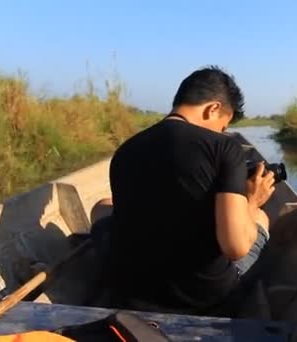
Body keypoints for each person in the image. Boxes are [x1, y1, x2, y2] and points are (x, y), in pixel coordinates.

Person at [92, 66, 276, 316]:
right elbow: (235, 248)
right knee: (259, 219)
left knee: (104, 207)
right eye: (223, 125)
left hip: (131, 293)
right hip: (203, 298)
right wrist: (252, 202)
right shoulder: (223, 148)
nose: (222, 133)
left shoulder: (126, 150)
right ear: (213, 109)